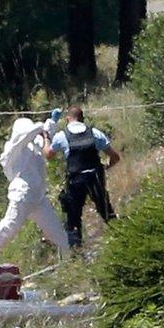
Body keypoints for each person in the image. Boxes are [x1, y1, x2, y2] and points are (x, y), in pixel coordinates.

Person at [0, 111, 69, 264]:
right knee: (10, 225)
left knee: (56, 230)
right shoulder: (12, 149)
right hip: (22, 194)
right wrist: (40, 126)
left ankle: (71, 257)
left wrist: (51, 122)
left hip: (38, 197)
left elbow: (45, 137)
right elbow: (28, 134)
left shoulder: (33, 146)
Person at [46, 106, 120, 248]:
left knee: (73, 217)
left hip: (75, 182)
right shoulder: (95, 133)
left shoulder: (62, 136)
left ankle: (75, 251)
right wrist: (105, 167)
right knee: (106, 211)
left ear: (68, 118)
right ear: (82, 118)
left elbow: (48, 155)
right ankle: (122, 237)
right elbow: (115, 157)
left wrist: (45, 137)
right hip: (95, 179)